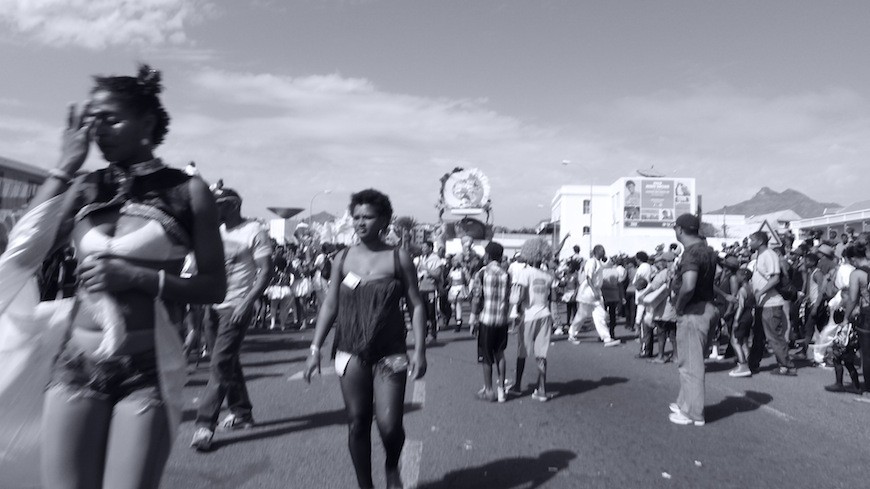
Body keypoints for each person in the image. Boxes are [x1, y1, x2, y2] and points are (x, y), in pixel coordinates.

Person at [0, 65, 227, 489]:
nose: (97, 129)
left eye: (111, 118)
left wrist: (138, 277)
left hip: (147, 371)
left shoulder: (187, 190)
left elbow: (215, 286)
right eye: (92, 119)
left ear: (147, 123)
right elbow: (24, 248)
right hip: (74, 365)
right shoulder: (87, 186)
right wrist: (65, 166)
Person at [304, 189, 427, 489]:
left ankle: (391, 466)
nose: (361, 222)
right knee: (357, 422)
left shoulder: (399, 258)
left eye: (368, 217)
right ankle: (365, 485)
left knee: (389, 425)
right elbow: (330, 305)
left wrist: (419, 349)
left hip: (391, 351)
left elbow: (417, 304)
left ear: (384, 219)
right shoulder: (342, 258)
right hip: (349, 350)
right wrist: (314, 348)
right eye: (356, 217)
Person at [191, 186, 272, 450]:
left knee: (220, 364)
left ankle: (204, 424)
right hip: (212, 308)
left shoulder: (254, 232)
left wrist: (247, 303)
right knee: (228, 362)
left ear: (234, 205)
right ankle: (242, 411)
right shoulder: (215, 232)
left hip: (236, 307)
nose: (212, 209)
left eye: (218, 204)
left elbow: (265, 271)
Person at [669, 214, 718, 426]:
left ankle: (693, 412)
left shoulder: (690, 254)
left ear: (679, 230)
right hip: (707, 307)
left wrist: (679, 306)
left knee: (690, 365)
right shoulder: (708, 251)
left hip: (693, 312)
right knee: (693, 360)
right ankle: (684, 402)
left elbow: (689, 285)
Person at [508, 238, 556, 401]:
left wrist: (515, 306)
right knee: (541, 353)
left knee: (522, 352)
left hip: (528, 315)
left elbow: (519, 296)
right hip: (545, 314)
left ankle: (517, 386)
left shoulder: (524, 272)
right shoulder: (547, 276)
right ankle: (541, 389)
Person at [747, 231, 797, 376]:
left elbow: (775, 279)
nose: (750, 243)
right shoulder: (760, 256)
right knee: (758, 336)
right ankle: (752, 364)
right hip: (762, 304)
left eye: (752, 240)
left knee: (774, 336)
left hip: (771, 303)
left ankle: (787, 366)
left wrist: (760, 292)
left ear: (760, 241)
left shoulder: (769, 255)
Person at [470, 241, 512, 403]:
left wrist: (473, 319)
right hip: (501, 320)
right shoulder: (506, 274)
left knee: (487, 356)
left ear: (487, 255)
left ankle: (489, 390)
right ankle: (501, 389)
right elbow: (508, 298)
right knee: (500, 354)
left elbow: (476, 298)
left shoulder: (481, 273)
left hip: (486, 320)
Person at [568, 245, 621, 347]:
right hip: (588, 292)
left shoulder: (598, 262)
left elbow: (608, 264)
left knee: (600, 315)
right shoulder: (591, 262)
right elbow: (588, 278)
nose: (604, 253)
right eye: (602, 251)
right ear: (597, 252)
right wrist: (594, 291)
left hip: (596, 292)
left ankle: (607, 338)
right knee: (582, 315)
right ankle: (572, 334)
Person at [728, 268, 755, 377]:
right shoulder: (751, 288)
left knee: (734, 340)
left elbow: (740, 306)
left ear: (743, 277)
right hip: (749, 316)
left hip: (743, 316)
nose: (737, 278)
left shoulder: (742, 290)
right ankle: (748, 362)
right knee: (744, 340)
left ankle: (742, 364)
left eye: (738, 275)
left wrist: (736, 320)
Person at [415, 240, 442, 342]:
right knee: (423, 313)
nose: (423, 249)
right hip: (421, 289)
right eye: (422, 247)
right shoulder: (421, 259)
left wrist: (427, 269)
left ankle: (433, 333)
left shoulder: (436, 259)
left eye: (425, 247)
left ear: (430, 248)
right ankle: (424, 334)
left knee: (432, 313)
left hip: (431, 289)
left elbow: (438, 274)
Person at [446, 259, 470, 332]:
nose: (454, 263)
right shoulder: (451, 270)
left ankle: (458, 322)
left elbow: (468, 278)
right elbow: (449, 278)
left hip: (460, 287)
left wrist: (466, 285)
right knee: (453, 306)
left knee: (458, 305)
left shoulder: (463, 269)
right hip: (453, 288)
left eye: (456, 261)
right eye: (453, 261)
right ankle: (457, 317)